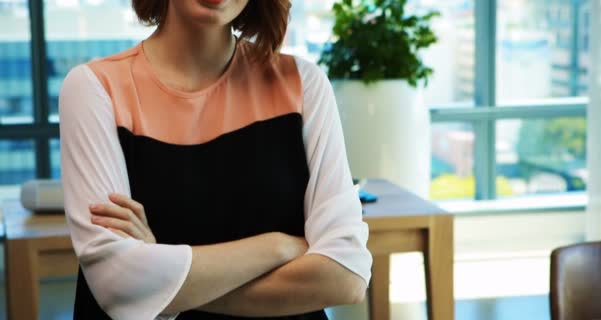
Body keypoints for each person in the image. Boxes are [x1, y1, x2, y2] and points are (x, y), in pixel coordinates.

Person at [59, 1, 373, 319]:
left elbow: (346, 276)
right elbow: (117, 284)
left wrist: (160, 283)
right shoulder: (94, 88)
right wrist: (279, 246)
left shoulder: (303, 84)